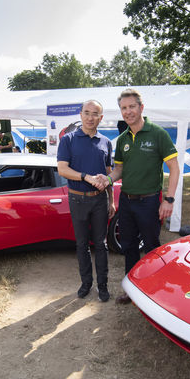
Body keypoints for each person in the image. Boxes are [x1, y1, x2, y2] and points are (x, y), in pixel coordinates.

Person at [107, 88, 179, 304]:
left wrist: (169, 199)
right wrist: (107, 179)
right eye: (123, 108)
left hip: (149, 202)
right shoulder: (121, 140)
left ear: (141, 108)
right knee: (128, 247)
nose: (128, 111)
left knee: (151, 247)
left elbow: (174, 168)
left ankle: (154, 290)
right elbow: (119, 170)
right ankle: (131, 290)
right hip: (127, 202)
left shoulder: (158, 134)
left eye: (131, 107)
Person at [57, 100, 115, 302]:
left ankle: (103, 285)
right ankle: (86, 283)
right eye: (87, 113)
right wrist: (86, 177)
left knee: (101, 244)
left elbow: (109, 175)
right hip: (78, 199)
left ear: (101, 117)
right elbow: (62, 169)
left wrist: (112, 200)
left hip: (99, 201)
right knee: (81, 244)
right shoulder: (68, 139)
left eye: (95, 114)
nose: (91, 117)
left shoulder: (106, 142)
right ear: (80, 114)